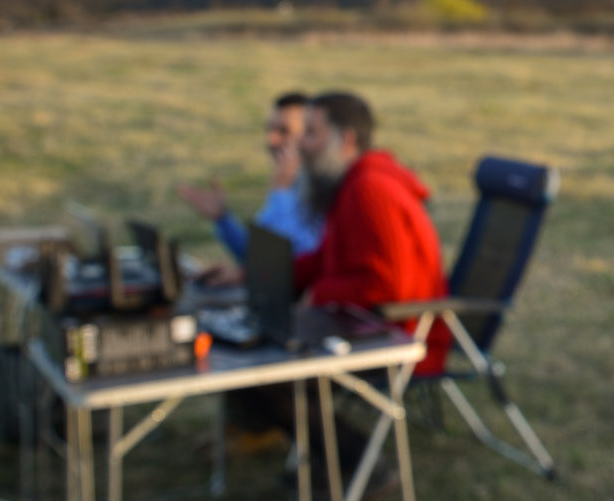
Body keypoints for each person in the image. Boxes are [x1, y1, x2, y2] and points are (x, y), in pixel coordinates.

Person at [294, 91, 450, 377]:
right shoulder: (353, 183)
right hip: (370, 329)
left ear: (347, 140)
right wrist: (254, 274)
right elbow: (326, 259)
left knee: (277, 365)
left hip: (402, 340)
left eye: (311, 133)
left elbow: (386, 286)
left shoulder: (370, 190)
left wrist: (319, 294)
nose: (301, 143)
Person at [176, 91, 324, 262]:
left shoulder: (323, 191)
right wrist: (222, 219)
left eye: (284, 131)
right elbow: (256, 257)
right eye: (269, 129)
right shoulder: (287, 185)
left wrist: (281, 193)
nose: (271, 140)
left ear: (309, 136)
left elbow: (298, 259)